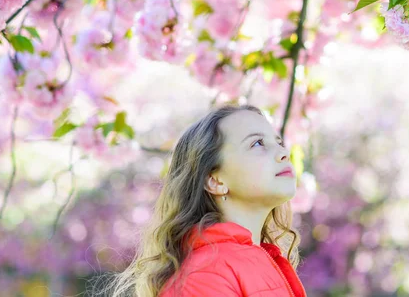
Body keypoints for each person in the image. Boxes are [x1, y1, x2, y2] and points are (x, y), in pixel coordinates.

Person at [106, 104, 306, 297]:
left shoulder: (260, 261)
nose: (283, 153)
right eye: (257, 143)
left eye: (279, 143)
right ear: (214, 180)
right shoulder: (205, 275)